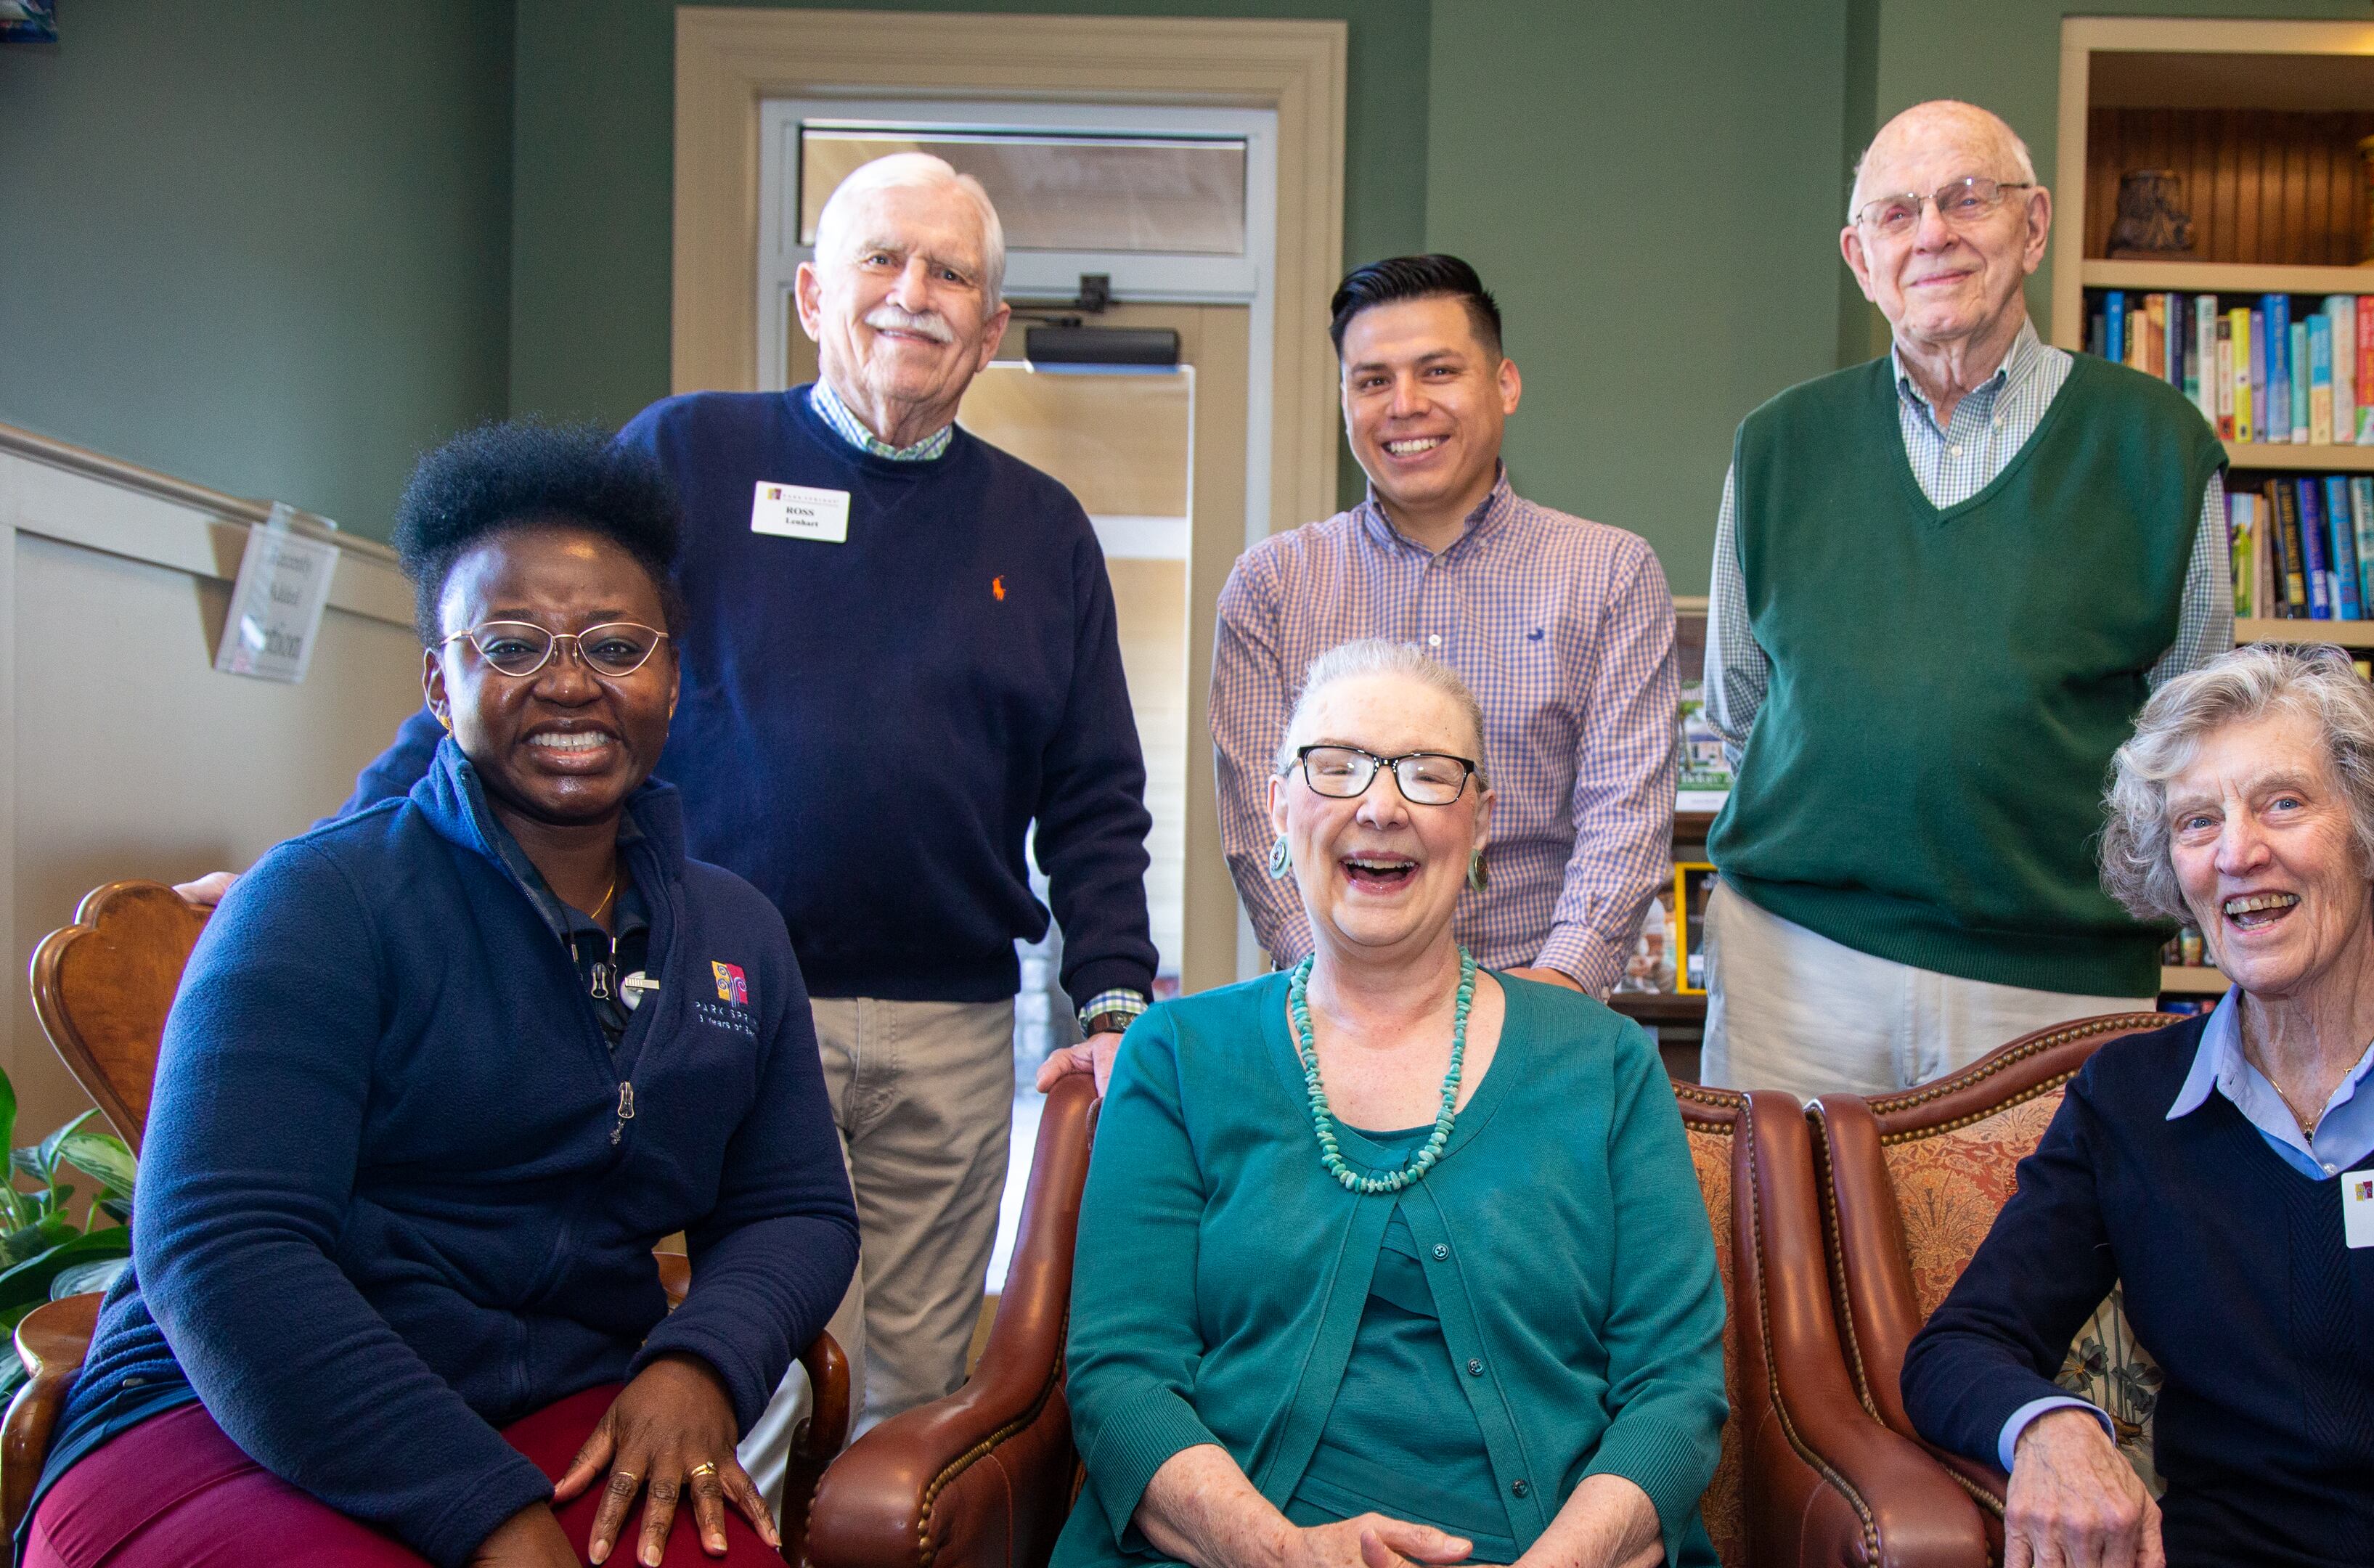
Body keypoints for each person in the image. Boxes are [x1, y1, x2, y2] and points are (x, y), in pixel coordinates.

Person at [192, 152, 1159, 1438]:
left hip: (951, 1024)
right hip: (710, 996)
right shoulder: (690, 452)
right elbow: (515, 675)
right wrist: (306, 872)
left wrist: (1112, 995)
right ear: (814, 294)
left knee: (918, 1388)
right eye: (881, 259)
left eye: (951, 275)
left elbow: (1094, 794)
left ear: (990, 331)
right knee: (741, 1354)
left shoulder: (1042, 529)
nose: (911, 294)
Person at [27, 424, 860, 1568]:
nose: (570, 682)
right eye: (511, 645)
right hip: (235, 1413)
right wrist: (489, 1516)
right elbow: (223, 1251)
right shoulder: (317, 903)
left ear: (675, 673)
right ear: (439, 680)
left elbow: (794, 1209)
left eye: (616, 645)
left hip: (565, 1410)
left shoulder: (737, 935)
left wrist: (697, 1361)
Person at [1902, 644, 2374, 1567]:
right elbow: (1958, 1349)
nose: (2237, 853)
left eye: (2283, 803)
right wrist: (2051, 1426)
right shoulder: (2130, 1104)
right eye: (2196, 822)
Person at [1045, 639, 1725, 1568]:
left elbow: (1675, 1392)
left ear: (1481, 824)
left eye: (1429, 774)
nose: (1380, 805)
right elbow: (1121, 1381)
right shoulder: (1177, 1056)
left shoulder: (1603, 1065)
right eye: (1337, 766)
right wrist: (1282, 1554)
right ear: (1278, 806)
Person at [1700, 99, 2231, 1099]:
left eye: (1966, 199)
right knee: (1792, 1249)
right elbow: (1738, 706)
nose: (1932, 232)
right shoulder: (1777, 446)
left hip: (2057, 981)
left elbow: (2190, 730)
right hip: (1800, 967)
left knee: (2045, 1258)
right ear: (1860, 257)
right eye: (1897, 214)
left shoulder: (2155, 446)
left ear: (2032, 227)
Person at [1211, 254, 1676, 1012]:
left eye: (1437, 372)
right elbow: (1258, 832)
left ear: (1505, 385)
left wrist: (1557, 992)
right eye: (1372, 381)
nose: (1404, 405)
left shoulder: (1609, 575)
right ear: (1344, 399)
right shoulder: (1271, 587)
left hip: (1540, 1012)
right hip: (1329, 1023)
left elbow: (1625, 816)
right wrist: (1338, 987)